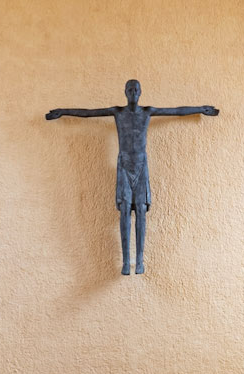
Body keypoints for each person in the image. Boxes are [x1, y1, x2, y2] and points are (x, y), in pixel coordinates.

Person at [46, 78, 219, 274]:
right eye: (130, 89)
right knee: (125, 211)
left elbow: (176, 110)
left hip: (141, 165)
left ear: (141, 92)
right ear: (125, 92)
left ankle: (140, 260)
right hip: (124, 165)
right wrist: (63, 111)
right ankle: (126, 261)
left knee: (142, 212)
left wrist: (200, 109)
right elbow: (88, 113)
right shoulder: (117, 112)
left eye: (136, 89)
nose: (133, 92)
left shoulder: (147, 112)